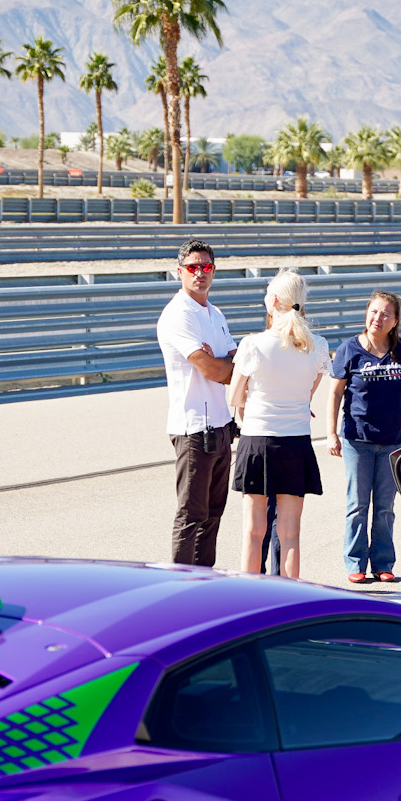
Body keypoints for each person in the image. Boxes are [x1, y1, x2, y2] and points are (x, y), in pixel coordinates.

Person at [231, 271, 328, 578]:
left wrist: (251, 400)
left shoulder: (253, 344)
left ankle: (249, 598)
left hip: (258, 439)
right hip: (296, 441)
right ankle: (290, 600)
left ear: (273, 301)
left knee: (253, 530)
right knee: (290, 533)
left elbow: (235, 396)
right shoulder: (318, 345)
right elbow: (308, 393)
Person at [328, 289, 401, 584]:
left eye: (385, 314)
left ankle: (383, 562)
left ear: (395, 321)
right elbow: (335, 392)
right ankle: (355, 562)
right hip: (358, 439)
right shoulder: (349, 349)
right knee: (357, 504)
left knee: (385, 507)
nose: (377, 318)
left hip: (394, 440)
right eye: (373, 311)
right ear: (366, 314)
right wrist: (330, 433)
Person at [157, 239, 237, 566]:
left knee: (214, 514)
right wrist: (222, 363)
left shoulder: (214, 313)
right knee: (191, 515)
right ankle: (179, 586)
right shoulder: (179, 314)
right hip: (193, 430)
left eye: (205, 267)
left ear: (214, 271)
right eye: (192, 267)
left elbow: (234, 360)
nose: (199, 273)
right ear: (180, 272)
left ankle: (205, 582)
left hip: (221, 426)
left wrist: (222, 361)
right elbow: (214, 370)